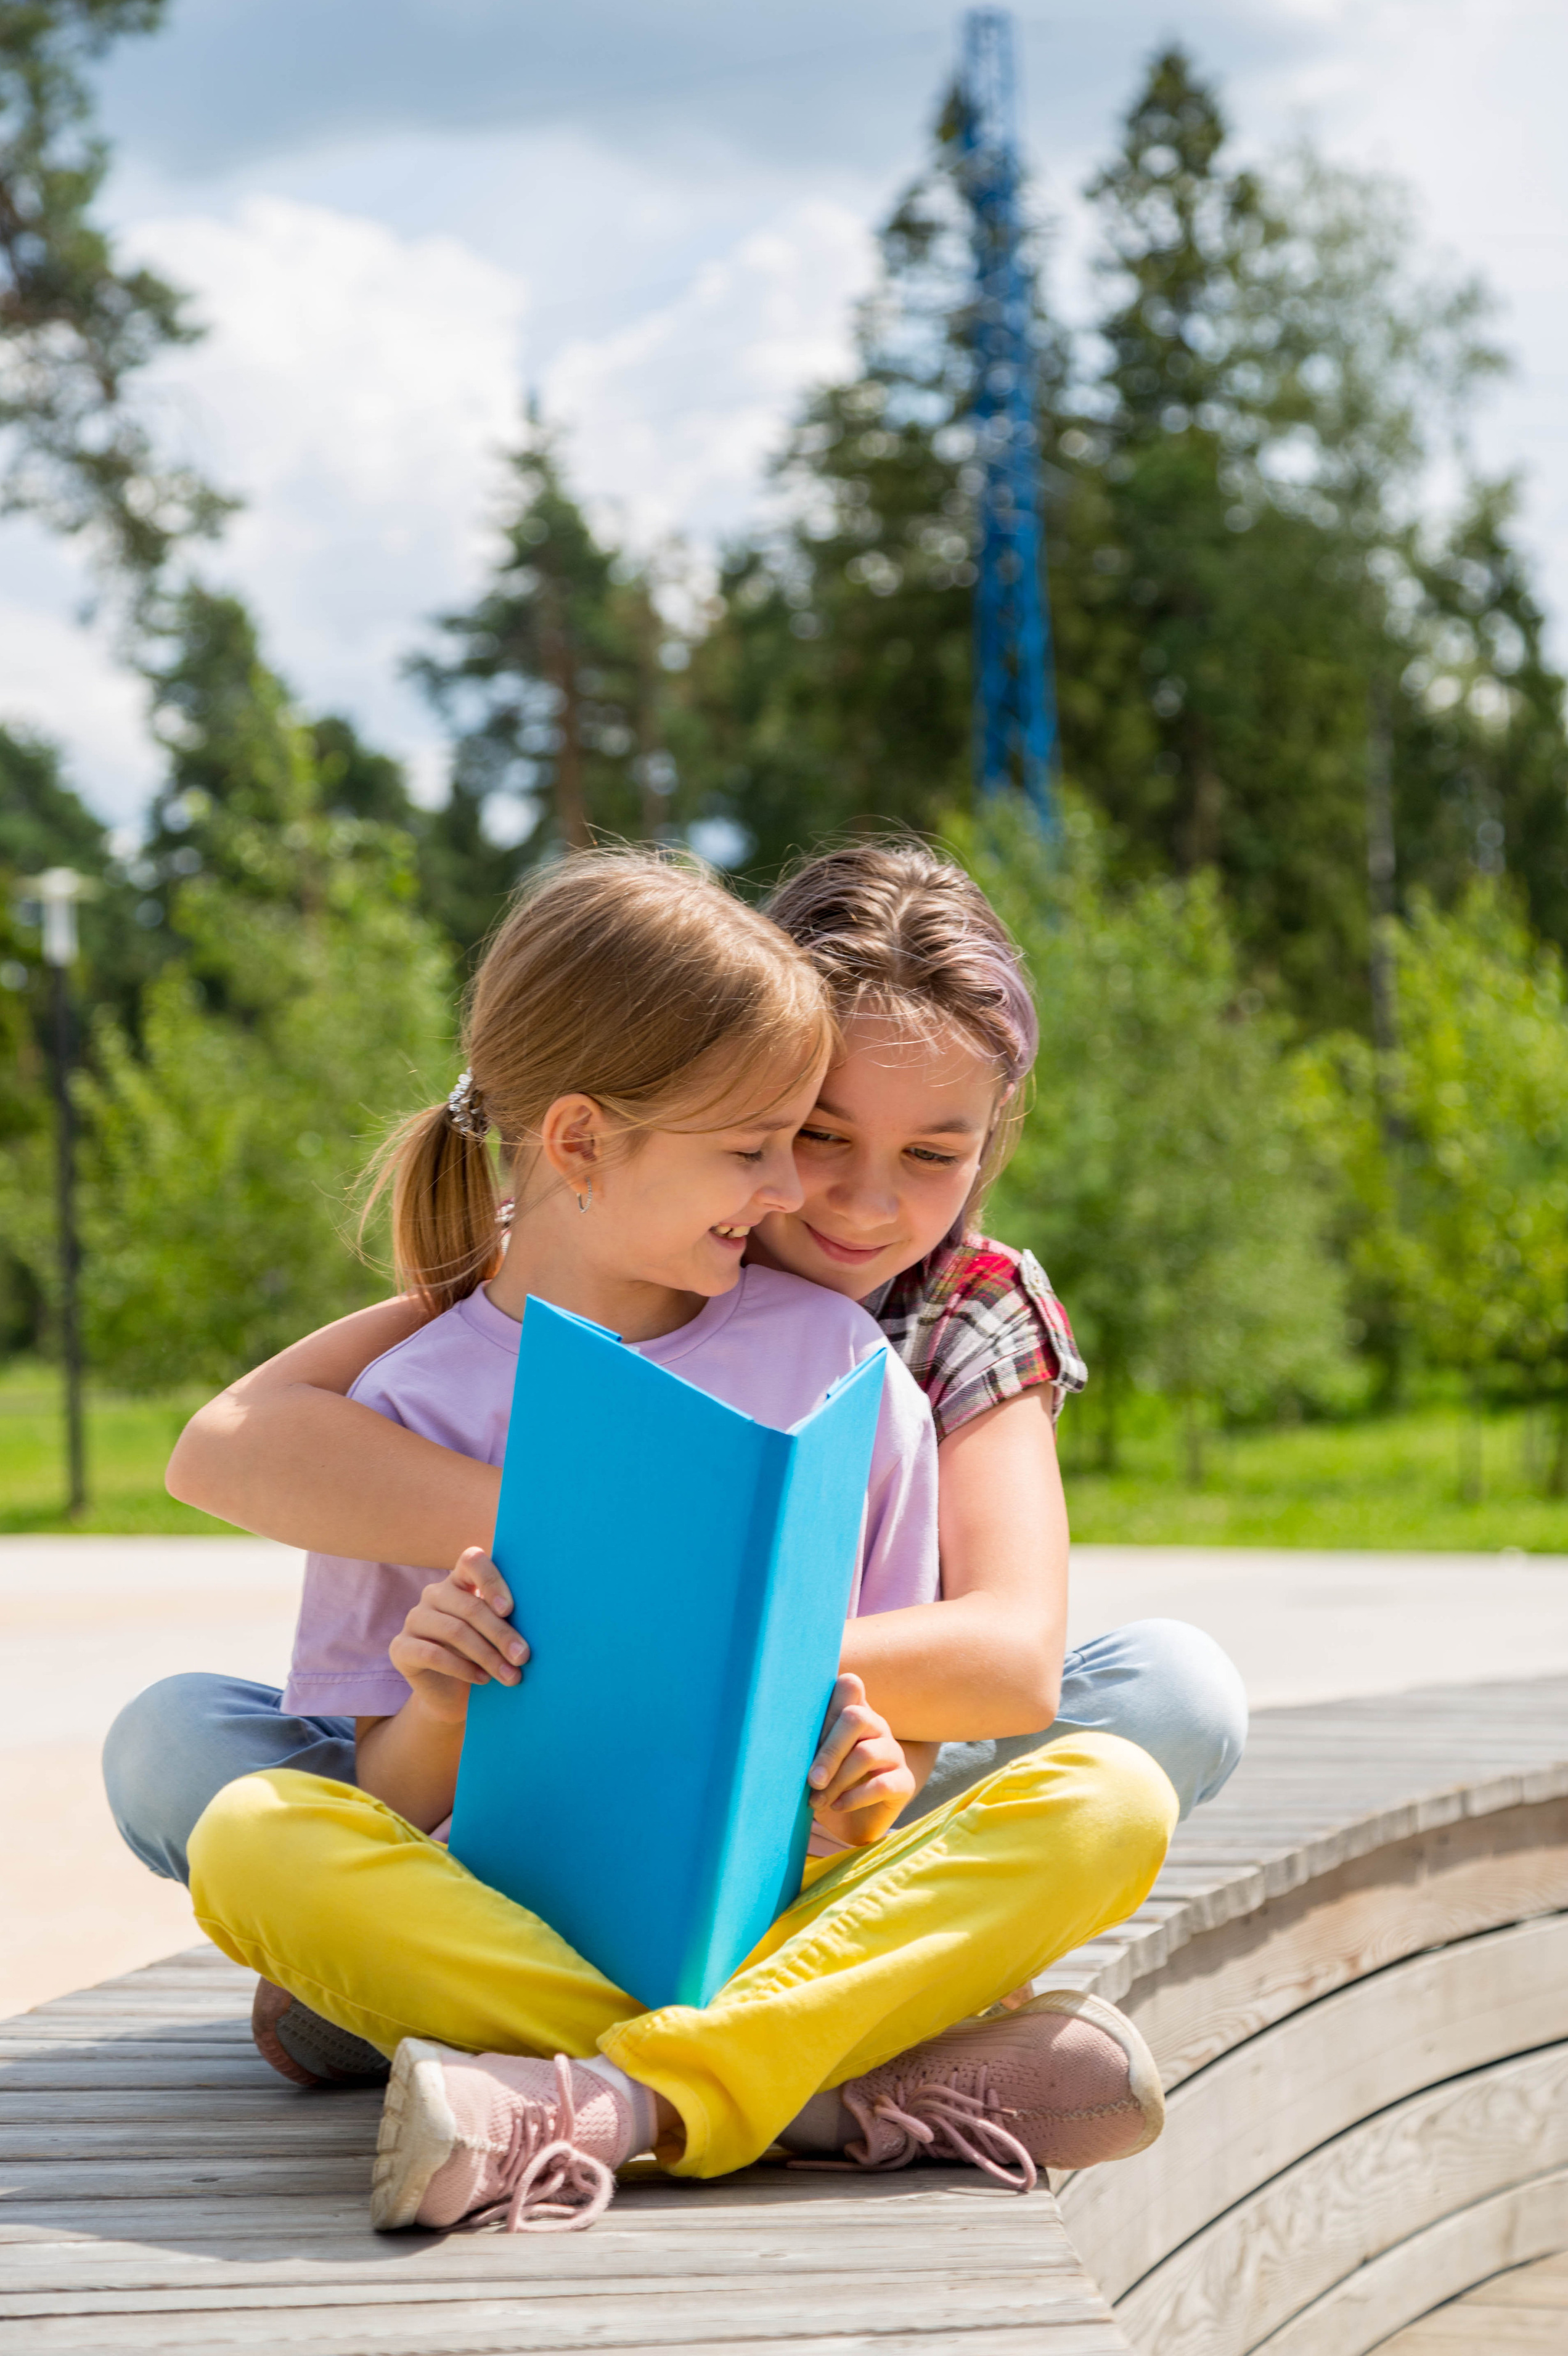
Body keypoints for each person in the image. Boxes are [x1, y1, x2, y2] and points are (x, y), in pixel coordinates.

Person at [158, 848, 1179, 2234]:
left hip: (775, 1897)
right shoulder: (420, 1383)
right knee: (252, 1832)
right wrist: (477, 1667)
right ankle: (812, 2091)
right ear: (582, 1142)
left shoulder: (847, 1357)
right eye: (789, 1141)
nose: (815, 1202)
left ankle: (595, 2101)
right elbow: (386, 1780)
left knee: (1112, 1791)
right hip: (513, 1893)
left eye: (932, 1156)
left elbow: (939, 1723)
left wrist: (847, 1782)